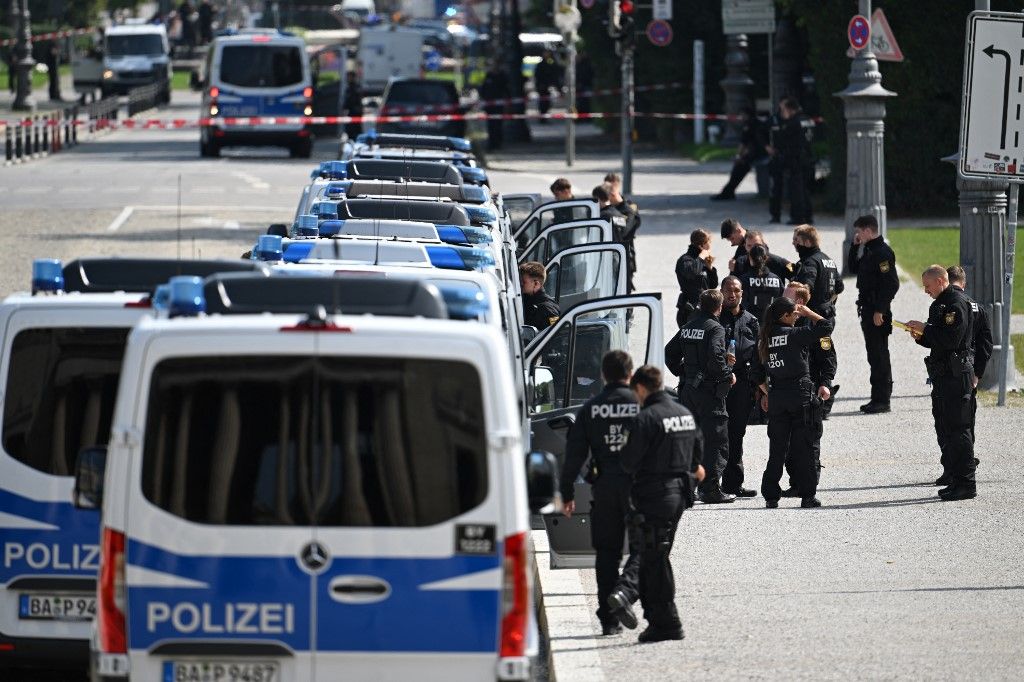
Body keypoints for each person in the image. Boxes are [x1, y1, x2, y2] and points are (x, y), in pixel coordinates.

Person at [617, 365, 704, 643]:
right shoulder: (684, 414)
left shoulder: (647, 418)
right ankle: (657, 619)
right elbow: (699, 459)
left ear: (641, 388)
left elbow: (628, 462)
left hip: (654, 496)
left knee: (654, 559)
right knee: (654, 557)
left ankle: (667, 621)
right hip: (679, 494)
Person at [560, 350, 642, 636]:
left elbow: (574, 455)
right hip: (638, 488)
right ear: (630, 374)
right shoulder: (641, 404)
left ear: (603, 375)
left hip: (604, 487)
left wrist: (567, 491)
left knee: (606, 554)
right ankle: (625, 592)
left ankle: (609, 620)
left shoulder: (590, 409)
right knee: (646, 546)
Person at [753, 297, 834, 508]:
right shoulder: (794, 335)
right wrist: (809, 313)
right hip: (800, 396)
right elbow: (826, 326)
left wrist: (768, 394)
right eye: (794, 314)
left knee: (777, 449)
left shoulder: (765, 339)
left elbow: (756, 374)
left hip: (778, 397)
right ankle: (807, 496)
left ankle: (771, 495)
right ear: (784, 316)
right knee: (804, 449)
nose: (797, 316)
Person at [904, 266, 976, 501]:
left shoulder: (955, 303)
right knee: (947, 429)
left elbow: (952, 338)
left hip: (956, 374)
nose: (925, 290)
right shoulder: (940, 303)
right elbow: (937, 339)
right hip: (944, 374)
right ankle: (955, 478)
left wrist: (927, 329)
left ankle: (966, 483)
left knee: (959, 429)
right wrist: (921, 336)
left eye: (928, 285)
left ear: (941, 280)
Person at [665, 290, 735, 503]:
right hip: (708, 393)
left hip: (688, 391)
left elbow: (669, 352)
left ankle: (689, 487)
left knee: (691, 439)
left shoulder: (688, 327)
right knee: (715, 440)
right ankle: (710, 489)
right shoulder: (715, 328)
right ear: (719, 307)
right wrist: (727, 374)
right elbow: (715, 356)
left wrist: (684, 373)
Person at [779, 281, 836, 493]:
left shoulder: (815, 327)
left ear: (800, 303)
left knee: (809, 440)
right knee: (788, 442)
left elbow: (828, 358)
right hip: (787, 391)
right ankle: (795, 483)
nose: (782, 301)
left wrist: (826, 382)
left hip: (810, 390)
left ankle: (809, 485)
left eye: (788, 298)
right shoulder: (782, 324)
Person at [848, 214, 900, 414]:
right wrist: (854, 247)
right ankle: (876, 397)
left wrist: (880, 309)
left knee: (879, 355)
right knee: (873, 354)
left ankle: (882, 399)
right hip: (867, 307)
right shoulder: (869, 249)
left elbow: (891, 284)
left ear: (868, 230)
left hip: (876, 309)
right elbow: (853, 268)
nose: (858, 235)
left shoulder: (882, 252)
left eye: (859, 231)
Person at [718, 277, 759, 497]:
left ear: (742, 293)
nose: (732, 294)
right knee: (716, 433)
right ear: (721, 292)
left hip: (742, 383)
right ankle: (711, 484)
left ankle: (733, 484)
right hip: (718, 383)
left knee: (736, 433)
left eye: (735, 290)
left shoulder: (751, 321)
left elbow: (760, 353)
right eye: (727, 290)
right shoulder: (714, 319)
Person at [947, 265, 993, 456]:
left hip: (950, 367)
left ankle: (956, 467)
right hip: (969, 369)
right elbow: (985, 345)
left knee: (947, 420)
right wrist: (978, 373)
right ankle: (966, 460)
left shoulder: (949, 305)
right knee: (966, 421)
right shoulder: (978, 308)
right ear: (964, 283)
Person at [769, 96, 815, 225]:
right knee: (805, 190)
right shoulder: (808, 119)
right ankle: (808, 216)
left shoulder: (793, 122)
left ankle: (798, 217)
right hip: (808, 158)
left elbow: (785, 141)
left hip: (796, 160)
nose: (782, 113)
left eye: (783, 110)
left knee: (796, 191)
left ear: (790, 109)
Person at [711, 108, 769, 201]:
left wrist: (738, 156)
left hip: (756, 153)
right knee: (739, 170)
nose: (741, 117)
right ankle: (728, 191)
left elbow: (744, 143)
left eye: (742, 115)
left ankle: (728, 192)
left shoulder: (749, 125)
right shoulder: (758, 123)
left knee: (738, 169)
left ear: (746, 115)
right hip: (760, 152)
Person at [792, 224, 843, 319]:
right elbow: (839, 287)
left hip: (812, 319)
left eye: (796, 240)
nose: (793, 243)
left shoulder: (809, 262)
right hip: (828, 315)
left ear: (807, 242)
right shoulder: (828, 260)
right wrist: (827, 304)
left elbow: (806, 286)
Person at [674, 229, 718, 327]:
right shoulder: (685, 260)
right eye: (709, 243)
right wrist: (701, 258)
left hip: (706, 308)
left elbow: (713, 285)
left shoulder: (702, 261)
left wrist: (710, 268)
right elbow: (691, 273)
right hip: (689, 310)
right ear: (701, 245)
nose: (710, 246)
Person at [606, 175, 640, 292]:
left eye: (612, 187)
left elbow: (628, 229)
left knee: (624, 289)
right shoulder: (606, 208)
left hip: (626, 253)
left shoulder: (629, 207)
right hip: (608, 255)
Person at [739, 244, 785, 322]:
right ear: (766, 258)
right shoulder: (776, 279)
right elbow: (783, 300)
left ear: (750, 258)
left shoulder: (744, 279)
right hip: (772, 324)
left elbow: (741, 303)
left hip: (750, 323)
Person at [731, 229, 795, 281]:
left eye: (757, 245)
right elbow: (732, 284)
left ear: (763, 244)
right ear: (745, 246)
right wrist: (732, 270)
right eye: (749, 246)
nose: (753, 248)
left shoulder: (779, 262)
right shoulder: (740, 262)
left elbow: (794, 270)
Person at [519, 261, 560, 330]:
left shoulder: (547, 310)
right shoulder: (527, 299)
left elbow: (554, 335)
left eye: (523, 282)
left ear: (536, 284)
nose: (520, 285)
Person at [480, 63, 509, 151]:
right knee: (491, 125)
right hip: (489, 106)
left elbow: (506, 90)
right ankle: (492, 143)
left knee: (498, 125)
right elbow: (483, 90)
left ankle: (498, 143)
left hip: (499, 105)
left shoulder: (502, 77)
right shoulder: (488, 76)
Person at [533, 50, 562, 118]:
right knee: (543, 102)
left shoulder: (551, 63)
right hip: (542, 86)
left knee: (547, 102)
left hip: (547, 86)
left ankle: (544, 115)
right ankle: (542, 116)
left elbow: (554, 73)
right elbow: (538, 75)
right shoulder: (541, 64)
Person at [343, 71, 364, 142]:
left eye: (349, 77)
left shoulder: (354, 88)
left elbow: (353, 100)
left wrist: (345, 106)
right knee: (350, 131)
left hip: (355, 112)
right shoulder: (350, 87)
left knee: (355, 131)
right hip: (352, 112)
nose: (348, 79)